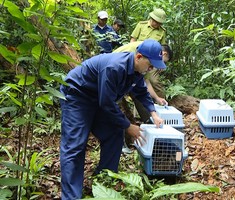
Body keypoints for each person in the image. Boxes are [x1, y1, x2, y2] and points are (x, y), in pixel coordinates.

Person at [59, 39, 165, 199]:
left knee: (115, 133)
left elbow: (141, 92)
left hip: (98, 99)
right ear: (139, 57)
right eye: (150, 65)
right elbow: (107, 103)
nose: (151, 69)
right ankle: (71, 196)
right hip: (78, 95)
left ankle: (103, 182)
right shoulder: (115, 67)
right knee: (75, 145)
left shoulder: (137, 72)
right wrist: (128, 126)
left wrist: (153, 113)